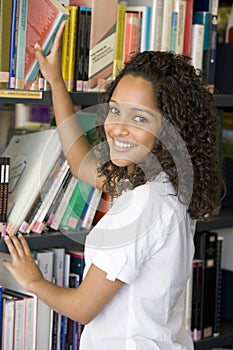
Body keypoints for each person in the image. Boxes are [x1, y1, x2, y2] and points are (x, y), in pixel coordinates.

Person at [3, 21, 221, 350]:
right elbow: (80, 163)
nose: (117, 128)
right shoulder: (163, 184)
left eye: (139, 118)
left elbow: (82, 309)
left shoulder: (143, 203)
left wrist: (33, 280)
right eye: (115, 110)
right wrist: (57, 83)